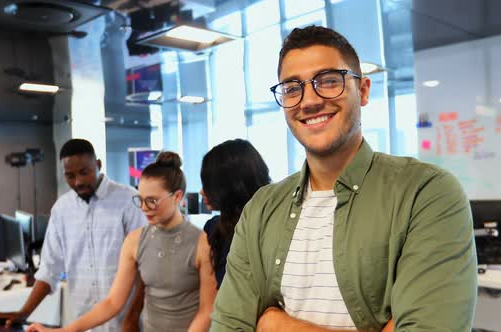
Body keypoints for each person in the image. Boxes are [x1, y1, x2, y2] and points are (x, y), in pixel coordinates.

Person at [210, 26, 477, 332]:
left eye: (328, 81)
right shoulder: (261, 209)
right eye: (292, 88)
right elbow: (227, 326)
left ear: (363, 90)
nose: (309, 101)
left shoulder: (425, 193)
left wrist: (277, 325)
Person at [27, 151, 217, 332]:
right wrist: (66, 330)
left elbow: (207, 311)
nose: (144, 208)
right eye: (140, 200)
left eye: (152, 201)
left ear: (177, 197)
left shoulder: (202, 243)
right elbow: (113, 302)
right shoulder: (134, 241)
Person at [0, 138, 147, 332]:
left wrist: (132, 318)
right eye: (70, 176)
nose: (78, 181)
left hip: (128, 323)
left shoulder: (128, 200)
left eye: (84, 172)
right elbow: (49, 270)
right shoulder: (62, 209)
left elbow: (145, 268)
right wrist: (23, 313)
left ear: (98, 165)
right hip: (84, 324)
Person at [200, 139, 271, 288]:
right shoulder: (215, 229)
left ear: (229, 185)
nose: (202, 191)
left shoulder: (269, 226)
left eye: (208, 184)